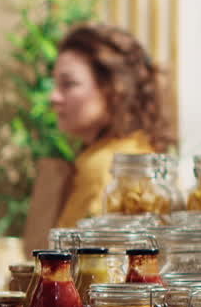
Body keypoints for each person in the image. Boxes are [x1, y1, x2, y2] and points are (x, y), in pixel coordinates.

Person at [48, 23, 177, 229]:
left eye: (69, 84)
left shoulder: (106, 166)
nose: (53, 96)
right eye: (55, 84)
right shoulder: (137, 150)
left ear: (115, 88)